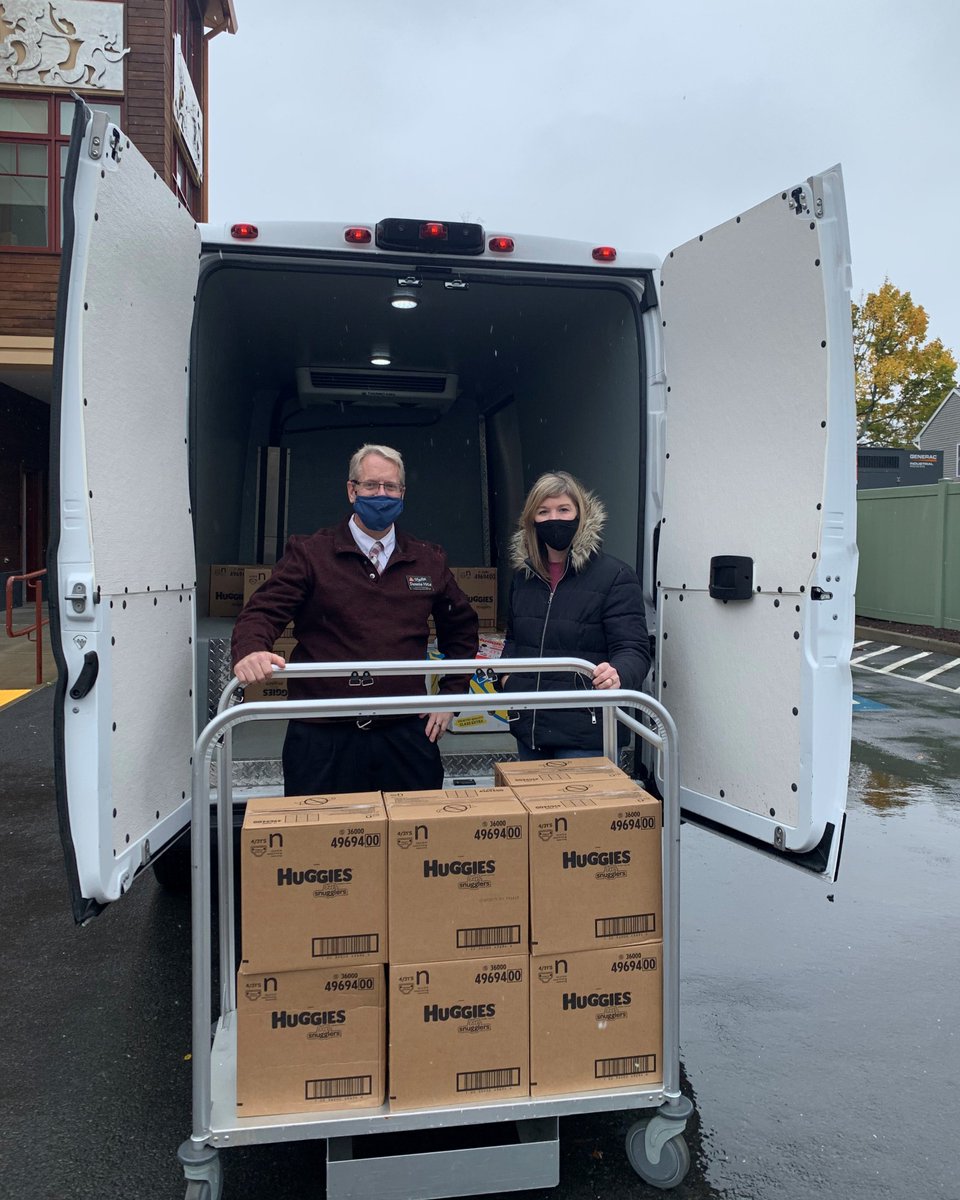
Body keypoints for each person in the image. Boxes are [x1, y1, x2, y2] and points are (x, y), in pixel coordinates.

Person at [231, 444, 479, 795]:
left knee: (413, 840)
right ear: (352, 491)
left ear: (403, 493)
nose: (381, 495)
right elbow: (262, 612)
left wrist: (451, 697)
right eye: (371, 485)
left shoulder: (427, 560)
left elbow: (462, 628)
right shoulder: (311, 554)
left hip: (405, 732)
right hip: (321, 735)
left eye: (390, 487)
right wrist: (252, 648)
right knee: (319, 841)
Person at [501, 470, 651, 760]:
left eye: (563, 509)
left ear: (580, 514)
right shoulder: (524, 578)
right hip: (530, 730)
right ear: (532, 520)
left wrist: (617, 673)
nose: (553, 518)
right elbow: (513, 640)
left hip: (587, 735)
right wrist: (507, 678)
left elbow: (634, 650)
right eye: (543, 511)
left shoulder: (615, 576)